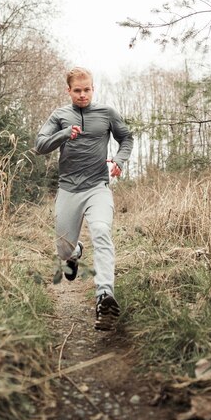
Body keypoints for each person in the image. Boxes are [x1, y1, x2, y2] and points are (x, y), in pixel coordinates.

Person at [35, 66, 134, 330]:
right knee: (63, 248)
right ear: (68, 91)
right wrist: (65, 134)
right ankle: (75, 252)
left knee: (101, 231)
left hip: (97, 187)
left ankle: (105, 296)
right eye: (77, 90)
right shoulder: (60, 115)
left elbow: (126, 139)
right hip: (68, 189)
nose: (82, 95)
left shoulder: (106, 114)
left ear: (93, 88)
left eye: (87, 89)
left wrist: (120, 162)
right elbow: (40, 145)